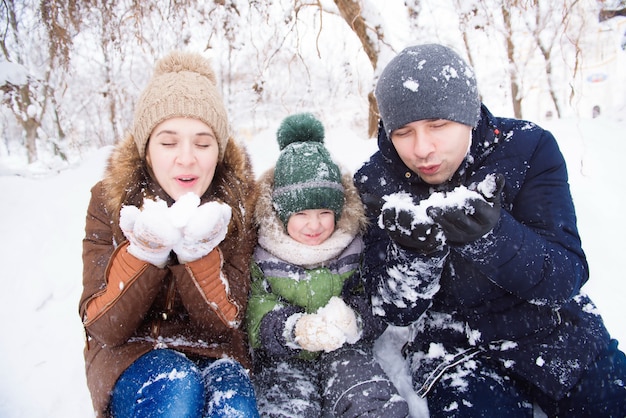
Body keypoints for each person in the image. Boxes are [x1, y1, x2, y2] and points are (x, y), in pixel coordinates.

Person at [354, 43, 626, 417]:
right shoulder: (376, 183)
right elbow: (390, 309)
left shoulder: (528, 149)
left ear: (467, 114)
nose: (422, 149)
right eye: (403, 132)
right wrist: (415, 257)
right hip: (451, 347)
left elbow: (566, 277)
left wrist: (493, 238)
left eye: (438, 125)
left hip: (555, 331)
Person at [79, 51, 259, 417]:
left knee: (235, 407)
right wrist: (145, 253)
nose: (187, 158)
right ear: (146, 150)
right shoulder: (109, 200)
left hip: (216, 353)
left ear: (219, 152)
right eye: (168, 141)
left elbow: (225, 323)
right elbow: (103, 328)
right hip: (132, 353)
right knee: (177, 391)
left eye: (203, 142)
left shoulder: (236, 204)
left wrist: (197, 254)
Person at [246, 113, 409, 417]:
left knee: (367, 397)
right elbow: (257, 308)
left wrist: (354, 318)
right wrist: (293, 329)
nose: (314, 225)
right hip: (287, 357)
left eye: (324, 212)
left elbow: (374, 298)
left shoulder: (353, 245)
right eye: (301, 214)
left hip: (346, 349)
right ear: (281, 215)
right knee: (287, 407)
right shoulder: (265, 255)